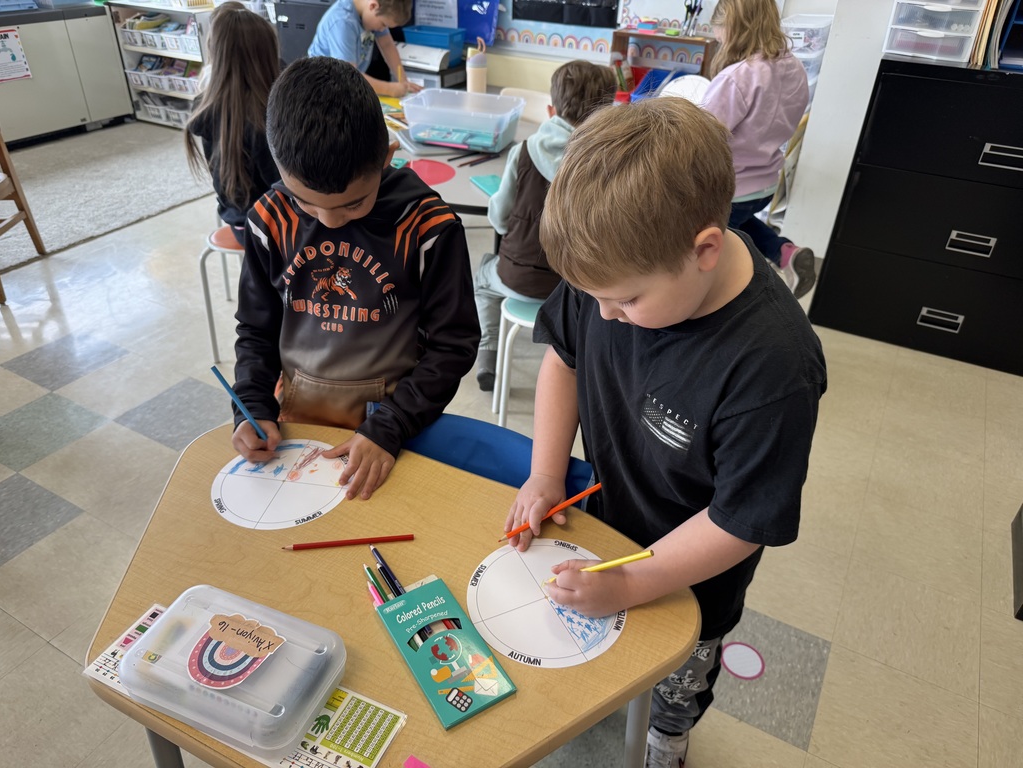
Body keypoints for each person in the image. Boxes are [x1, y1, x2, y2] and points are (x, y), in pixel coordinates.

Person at [503, 98, 826, 768]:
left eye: (623, 301)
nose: (604, 315)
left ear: (705, 249)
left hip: (692, 580)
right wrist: (543, 472)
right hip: (605, 524)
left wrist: (630, 586)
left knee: (673, 690)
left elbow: (740, 521)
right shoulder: (611, 269)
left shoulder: (774, 366)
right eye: (592, 297)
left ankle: (667, 741)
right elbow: (564, 354)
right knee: (597, 665)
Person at [230, 57, 480, 501]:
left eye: (352, 204)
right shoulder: (268, 220)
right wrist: (251, 404)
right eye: (305, 202)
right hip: (297, 422)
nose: (327, 220)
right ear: (279, 169)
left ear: (386, 158)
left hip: (398, 428)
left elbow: (453, 344)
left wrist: (392, 425)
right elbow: (256, 328)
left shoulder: (427, 227)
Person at [473, 59, 617, 392]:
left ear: (551, 109)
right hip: (574, 290)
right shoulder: (603, 163)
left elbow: (499, 219)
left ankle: (487, 354)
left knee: (482, 276)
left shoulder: (523, 152)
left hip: (516, 277)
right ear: (606, 113)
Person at [701, 0, 816, 298]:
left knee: (699, 242)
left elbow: (701, 136)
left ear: (733, 27)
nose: (716, 38)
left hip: (730, 187)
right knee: (738, 223)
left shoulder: (737, 77)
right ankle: (784, 252)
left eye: (718, 31)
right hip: (764, 185)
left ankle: (726, 295)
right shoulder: (792, 66)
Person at [185, 2, 280, 240]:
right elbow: (284, 187)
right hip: (269, 230)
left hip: (239, 222)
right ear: (266, 56)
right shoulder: (261, 117)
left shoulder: (207, 106)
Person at [307, 0, 420, 97]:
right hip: (324, 89)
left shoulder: (375, 12)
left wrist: (403, 80)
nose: (382, 30)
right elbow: (348, 75)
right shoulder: (342, 23)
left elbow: (387, 45)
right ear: (373, 6)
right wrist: (390, 89)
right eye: (383, 24)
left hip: (350, 85)